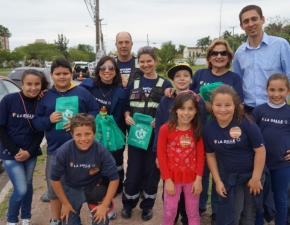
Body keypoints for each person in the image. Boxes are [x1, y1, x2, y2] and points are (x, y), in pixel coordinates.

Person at [32, 58, 99, 225]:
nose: (62, 77)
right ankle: (56, 219)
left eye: (65, 73)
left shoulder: (82, 92)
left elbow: (95, 111)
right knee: (55, 187)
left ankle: (87, 215)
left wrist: (80, 121)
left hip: (83, 151)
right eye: (58, 74)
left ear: (71, 74)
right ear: (52, 75)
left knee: (86, 185)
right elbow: (37, 123)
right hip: (55, 150)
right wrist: (49, 119)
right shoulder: (45, 96)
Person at [203, 85, 275, 224]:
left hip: (254, 175)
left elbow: (260, 150)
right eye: (218, 105)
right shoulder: (209, 128)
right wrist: (217, 181)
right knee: (233, 214)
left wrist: (255, 178)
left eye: (227, 105)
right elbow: (210, 155)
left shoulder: (246, 123)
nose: (223, 109)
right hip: (232, 177)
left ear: (235, 106)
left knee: (249, 214)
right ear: (212, 106)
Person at [191, 39, 243, 224]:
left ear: (228, 57)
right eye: (215, 53)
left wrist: (215, 108)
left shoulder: (233, 78)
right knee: (201, 171)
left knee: (220, 172)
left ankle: (218, 209)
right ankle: (199, 206)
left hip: (224, 133)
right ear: (209, 57)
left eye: (223, 53)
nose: (219, 56)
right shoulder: (200, 74)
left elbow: (239, 105)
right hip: (200, 130)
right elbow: (189, 98)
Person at [121, 46, 172, 220]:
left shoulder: (166, 84)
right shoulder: (133, 83)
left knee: (152, 172)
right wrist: (127, 115)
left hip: (156, 138)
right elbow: (126, 106)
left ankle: (147, 205)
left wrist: (161, 121)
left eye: (149, 61)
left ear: (155, 61)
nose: (145, 64)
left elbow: (171, 110)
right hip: (136, 136)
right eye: (142, 61)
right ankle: (128, 203)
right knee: (133, 171)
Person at [153, 64, 207, 225]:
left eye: (185, 75)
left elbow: (200, 150)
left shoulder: (198, 103)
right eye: (177, 76)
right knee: (170, 211)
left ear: (191, 79)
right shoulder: (166, 99)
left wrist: (198, 178)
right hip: (172, 172)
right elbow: (159, 130)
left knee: (191, 212)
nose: (186, 112)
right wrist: (157, 153)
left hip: (191, 175)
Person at [50, 113, 119, 225]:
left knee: (101, 220)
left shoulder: (102, 151)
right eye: (78, 135)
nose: (83, 139)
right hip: (71, 187)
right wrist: (65, 203)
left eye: (88, 134)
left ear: (94, 133)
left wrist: (105, 204)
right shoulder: (63, 151)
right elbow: (54, 178)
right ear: (72, 134)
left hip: (93, 186)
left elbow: (114, 178)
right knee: (67, 221)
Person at [0, 69, 49, 225]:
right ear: (22, 84)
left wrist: (29, 152)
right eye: (29, 84)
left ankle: (26, 217)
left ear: (41, 85)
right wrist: (16, 151)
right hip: (10, 153)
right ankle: (12, 220)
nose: (33, 88)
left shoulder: (41, 102)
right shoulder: (9, 100)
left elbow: (40, 131)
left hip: (31, 152)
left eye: (37, 84)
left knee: (27, 185)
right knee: (20, 188)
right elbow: (0, 128)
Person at [79, 56, 126, 195]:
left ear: (116, 71)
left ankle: (117, 186)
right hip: (91, 131)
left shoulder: (120, 92)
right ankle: (96, 187)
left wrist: (105, 125)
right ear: (98, 71)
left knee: (115, 160)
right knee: (94, 160)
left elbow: (118, 116)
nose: (107, 71)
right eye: (103, 67)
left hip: (113, 131)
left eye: (111, 68)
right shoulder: (88, 86)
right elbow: (72, 95)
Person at [233, 4, 290, 114]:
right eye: (246, 21)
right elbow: (237, 81)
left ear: (262, 20)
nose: (251, 24)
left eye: (254, 19)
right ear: (241, 26)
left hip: (276, 108)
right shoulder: (239, 53)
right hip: (248, 111)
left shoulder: (281, 45)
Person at [252, 74, 290, 225]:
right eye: (272, 89)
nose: (276, 94)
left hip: (282, 164)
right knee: (259, 196)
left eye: (281, 90)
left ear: (288, 91)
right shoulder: (259, 111)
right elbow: (250, 135)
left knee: (280, 197)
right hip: (261, 164)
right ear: (266, 90)